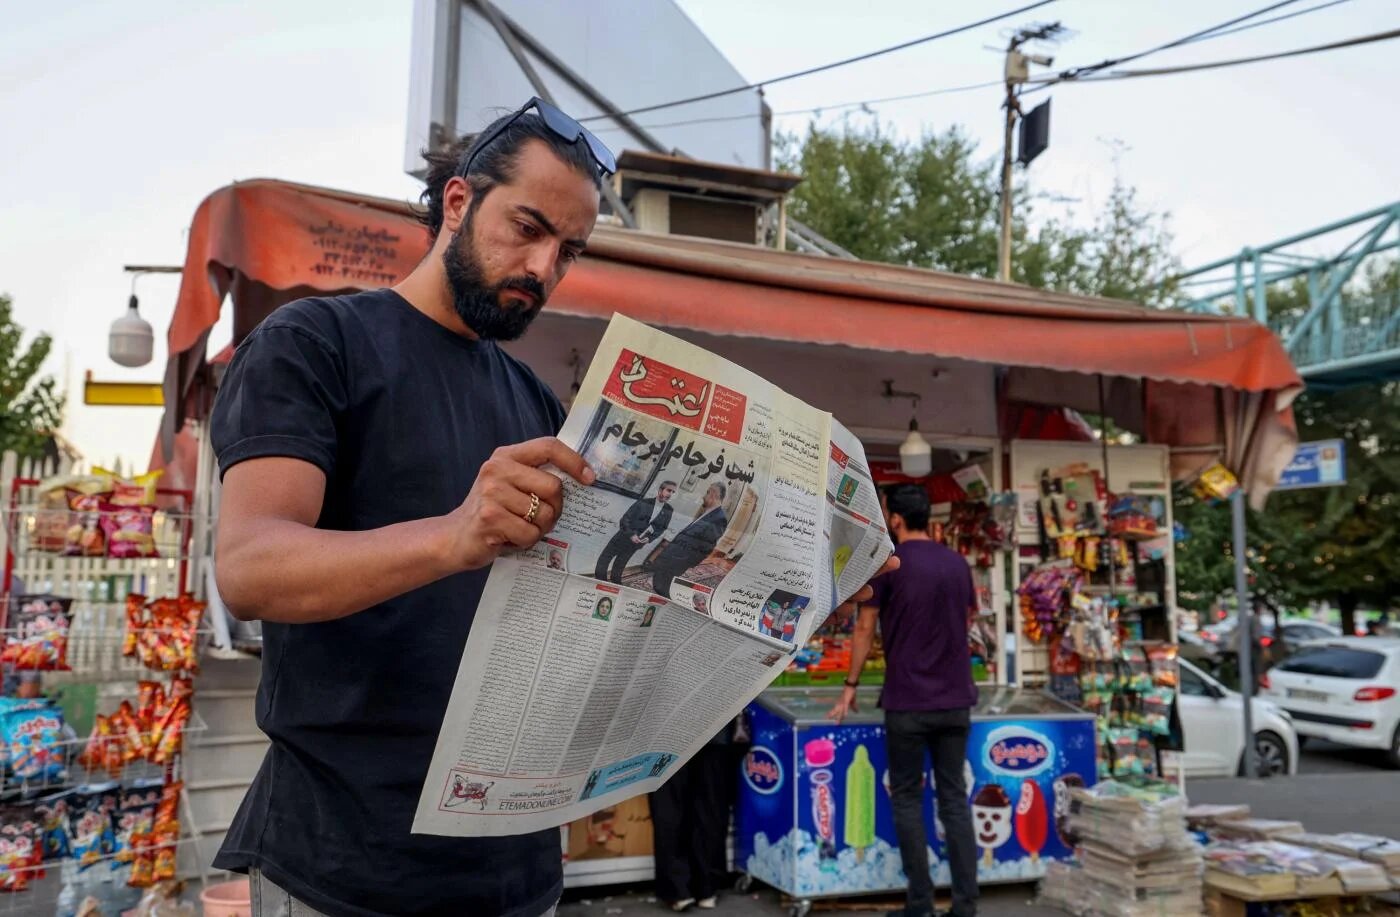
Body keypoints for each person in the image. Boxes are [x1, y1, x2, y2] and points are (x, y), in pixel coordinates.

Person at [207, 97, 615, 917]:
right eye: (527, 228)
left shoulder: (537, 405)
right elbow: (248, 567)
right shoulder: (316, 343)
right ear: (458, 203)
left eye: (567, 250)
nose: (542, 268)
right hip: (346, 870)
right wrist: (454, 535)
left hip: (518, 871)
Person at [829, 484, 979, 917]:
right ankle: (967, 906)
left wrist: (851, 685)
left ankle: (920, 905)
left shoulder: (888, 566)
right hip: (955, 701)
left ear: (894, 519)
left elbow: (864, 628)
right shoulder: (957, 564)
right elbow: (965, 622)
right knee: (953, 799)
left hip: (908, 702)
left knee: (908, 798)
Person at [648, 721, 744, 912]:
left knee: (670, 808)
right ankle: (706, 887)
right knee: (710, 809)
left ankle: (677, 889)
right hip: (714, 728)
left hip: (667, 733)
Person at [650, 483, 728, 598]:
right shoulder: (707, 511)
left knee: (664, 586)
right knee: (659, 580)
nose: (703, 496)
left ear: (713, 494)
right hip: (674, 554)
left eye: (707, 492)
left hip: (680, 559)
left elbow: (706, 547)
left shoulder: (719, 518)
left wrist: (686, 561)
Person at [594, 481, 675, 583]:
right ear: (660, 490)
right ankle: (600, 580)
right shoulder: (643, 502)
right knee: (606, 557)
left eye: (673, 492)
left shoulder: (669, 510)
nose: (670, 494)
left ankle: (615, 581)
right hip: (623, 536)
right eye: (668, 490)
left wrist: (649, 538)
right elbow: (625, 519)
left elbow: (662, 528)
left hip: (638, 542)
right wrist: (631, 534)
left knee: (622, 562)